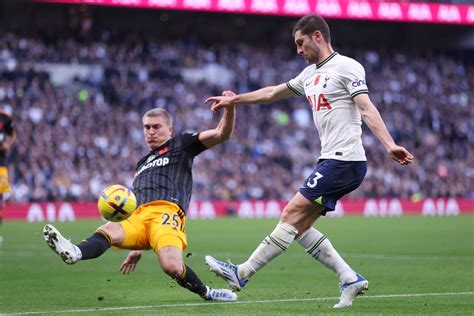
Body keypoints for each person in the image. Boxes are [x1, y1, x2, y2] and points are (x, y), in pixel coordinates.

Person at [204, 14, 413, 308]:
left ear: (318, 36)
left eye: (301, 43)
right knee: (298, 227)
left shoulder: (347, 66)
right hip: (329, 159)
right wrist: (234, 100)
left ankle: (242, 272)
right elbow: (272, 93)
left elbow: (365, 107)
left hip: (345, 160)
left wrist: (389, 144)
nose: (299, 50)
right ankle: (349, 278)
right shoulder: (308, 75)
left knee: (290, 213)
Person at [44, 98, 238, 302]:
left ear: (169, 130)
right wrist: (138, 248)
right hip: (137, 216)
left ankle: (207, 292)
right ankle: (75, 252)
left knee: (171, 266)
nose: (150, 132)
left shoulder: (182, 144)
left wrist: (230, 107)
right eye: (146, 127)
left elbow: (221, 134)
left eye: (156, 127)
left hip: (166, 212)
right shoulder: (142, 163)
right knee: (109, 230)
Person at [0, 108, 16, 246]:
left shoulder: (5, 117)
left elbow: (12, 134)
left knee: (0, 203)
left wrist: (7, 144)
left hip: (0, 165)